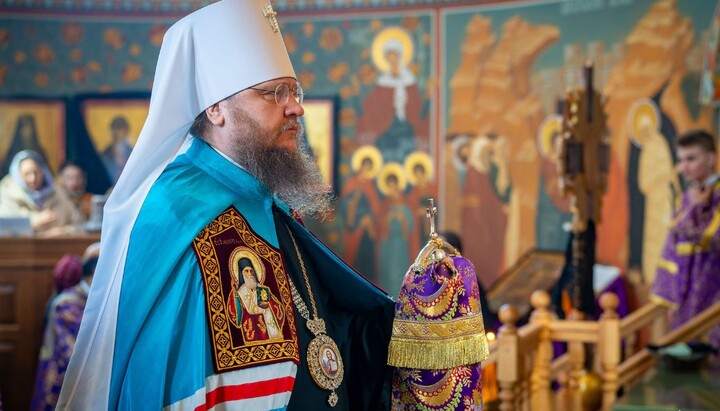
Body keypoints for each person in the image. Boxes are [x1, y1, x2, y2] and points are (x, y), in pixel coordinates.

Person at [59, 2, 395, 410]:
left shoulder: (263, 200)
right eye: (274, 93)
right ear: (216, 109)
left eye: (294, 91)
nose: (296, 107)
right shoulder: (185, 214)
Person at [651, 129, 720, 348]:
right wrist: (671, 298)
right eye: (681, 160)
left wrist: (697, 207)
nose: (684, 167)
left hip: (714, 291)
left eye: (691, 159)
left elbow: (713, 239)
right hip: (686, 295)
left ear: (711, 158)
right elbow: (672, 244)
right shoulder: (686, 197)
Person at [31, 243, 100, 411]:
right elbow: (77, 351)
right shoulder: (66, 305)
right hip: (63, 381)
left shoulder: (92, 298)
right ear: (94, 274)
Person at [0, 150, 83, 235]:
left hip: (56, 246)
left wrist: (63, 231)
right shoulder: (8, 194)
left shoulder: (58, 193)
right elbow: (4, 229)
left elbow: (80, 225)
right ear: (18, 175)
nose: (33, 178)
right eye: (27, 174)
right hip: (21, 247)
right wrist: (33, 224)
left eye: (36, 172)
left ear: (43, 171)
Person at [101, 116, 133, 184]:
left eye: (121, 129)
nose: (119, 133)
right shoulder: (106, 154)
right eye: (116, 129)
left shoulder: (133, 153)